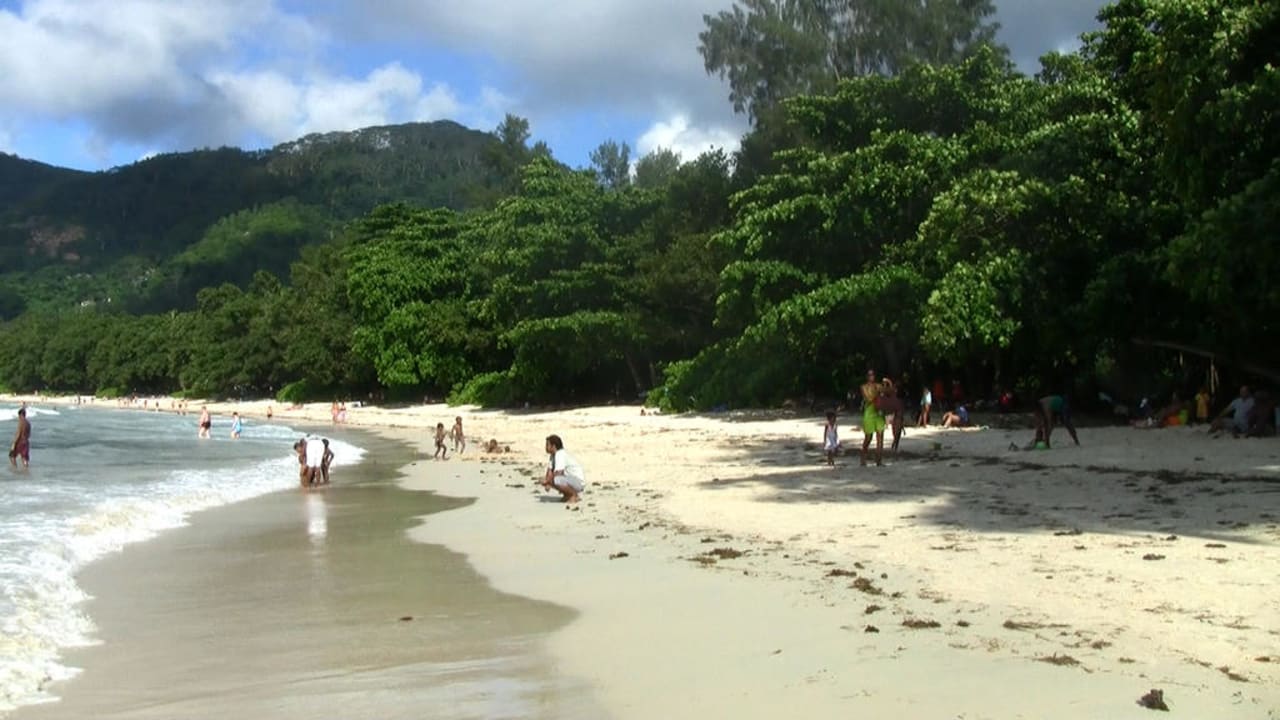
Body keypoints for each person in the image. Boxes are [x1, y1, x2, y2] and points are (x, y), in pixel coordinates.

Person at [541, 434, 585, 504]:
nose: (545, 447)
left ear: (553, 446)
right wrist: (547, 482)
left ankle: (574, 495)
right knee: (553, 480)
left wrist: (547, 481)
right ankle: (567, 495)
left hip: (578, 482)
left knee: (556, 480)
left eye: (547, 445)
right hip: (570, 480)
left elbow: (559, 472)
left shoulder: (560, 454)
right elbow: (549, 470)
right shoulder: (553, 456)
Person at [860, 369, 886, 467]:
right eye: (869, 375)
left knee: (880, 436)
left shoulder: (878, 386)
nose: (871, 376)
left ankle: (879, 460)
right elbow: (868, 398)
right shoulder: (863, 387)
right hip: (869, 412)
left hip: (878, 412)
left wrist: (887, 383)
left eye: (873, 375)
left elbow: (888, 392)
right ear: (867, 376)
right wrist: (877, 392)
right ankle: (863, 457)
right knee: (868, 437)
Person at [879, 380, 906, 453]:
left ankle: (895, 445)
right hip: (897, 413)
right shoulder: (894, 394)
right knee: (896, 430)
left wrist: (888, 381)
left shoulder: (893, 394)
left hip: (897, 413)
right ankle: (895, 445)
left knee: (896, 430)